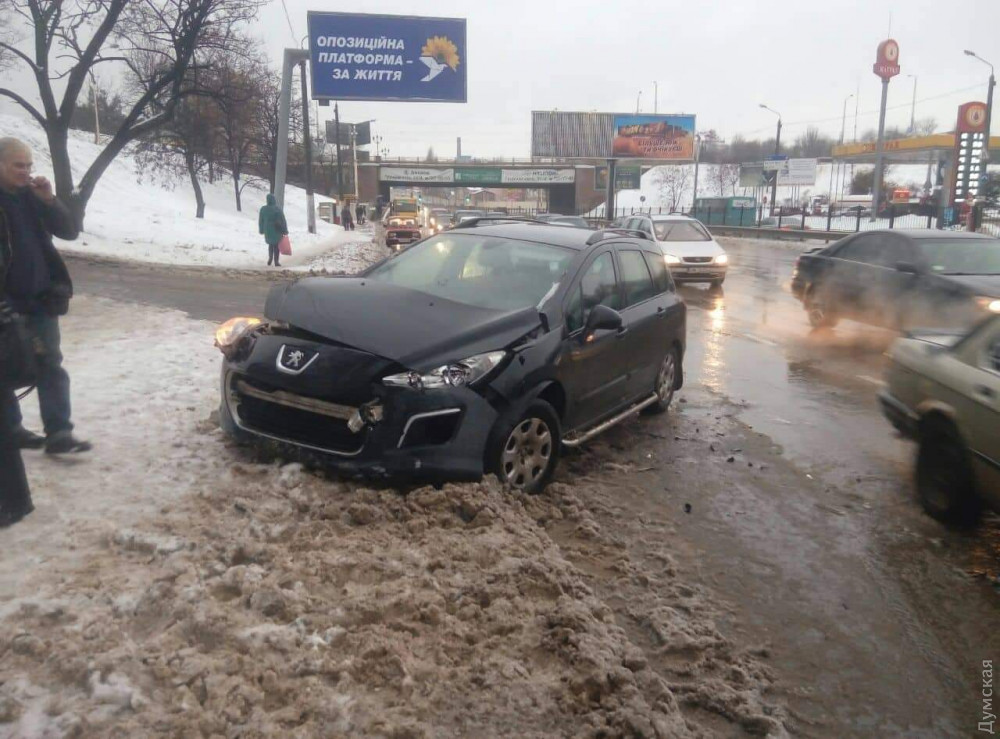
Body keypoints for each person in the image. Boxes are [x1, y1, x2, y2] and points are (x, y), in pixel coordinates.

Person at [0, 137, 90, 455]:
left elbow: (69, 231)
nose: (25, 171)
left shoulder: (32, 196)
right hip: (6, 303)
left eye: (28, 165)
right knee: (4, 369)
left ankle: (59, 433)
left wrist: (50, 200)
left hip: (41, 300)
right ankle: (11, 430)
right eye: (18, 165)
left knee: (50, 364)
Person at [258, 193, 288, 267]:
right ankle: (276, 261)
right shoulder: (277, 209)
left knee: (271, 244)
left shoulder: (263, 209)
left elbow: (261, 221)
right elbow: (283, 220)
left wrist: (261, 229)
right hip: (277, 229)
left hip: (267, 230)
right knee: (276, 246)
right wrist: (285, 230)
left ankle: (270, 258)